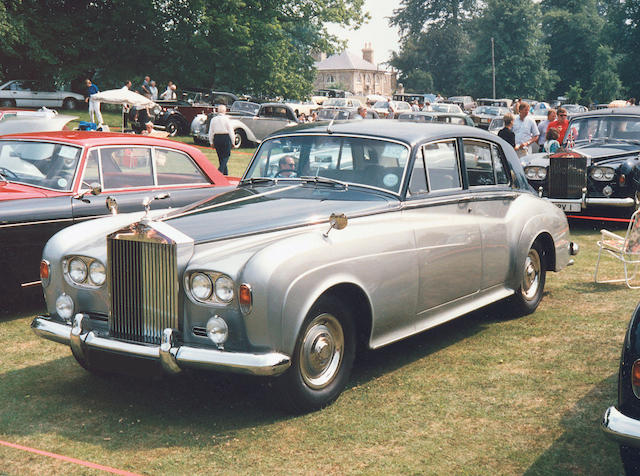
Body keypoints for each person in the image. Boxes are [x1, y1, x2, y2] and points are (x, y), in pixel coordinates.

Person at [208, 105, 234, 175]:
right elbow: (231, 131)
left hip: (217, 138)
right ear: (225, 111)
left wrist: (211, 141)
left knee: (221, 157)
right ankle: (219, 171)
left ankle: (225, 174)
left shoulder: (213, 119)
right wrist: (233, 142)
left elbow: (210, 131)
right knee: (226, 156)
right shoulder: (227, 119)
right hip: (225, 137)